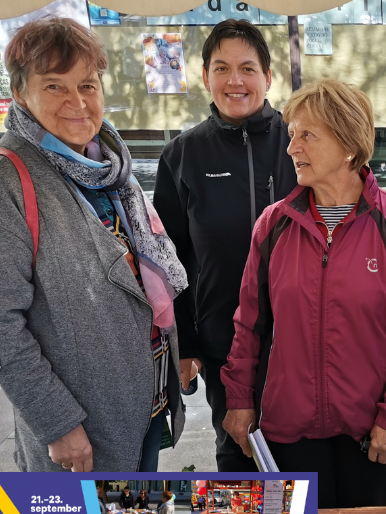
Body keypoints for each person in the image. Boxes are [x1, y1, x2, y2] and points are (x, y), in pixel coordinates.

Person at [0, 17, 188, 471]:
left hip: (144, 402)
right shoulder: (2, 181)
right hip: (83, 431)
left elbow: (142, 277)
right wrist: (59, 424)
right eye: (54, 86)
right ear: (21, 93)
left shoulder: (108, 164)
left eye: (87, 84)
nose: (77, 102)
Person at [221, 79, 386, 508]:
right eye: (292, 135)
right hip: (288, 428)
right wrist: (238, 399)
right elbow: (249, 324)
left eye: (307, 135)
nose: (292, 148)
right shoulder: (273, 225)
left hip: (369, 430)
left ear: (347, 143)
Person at [156, 19, 297, 473]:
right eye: (222, 68)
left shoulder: (300, 142)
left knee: (296, 452)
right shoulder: (183, 154)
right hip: (223, 340)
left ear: (268, 77)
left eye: (247, 68)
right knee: (237, 448)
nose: (235, 81)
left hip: (299, 337)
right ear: (205, 78)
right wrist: (185, 342)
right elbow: (169, 257)